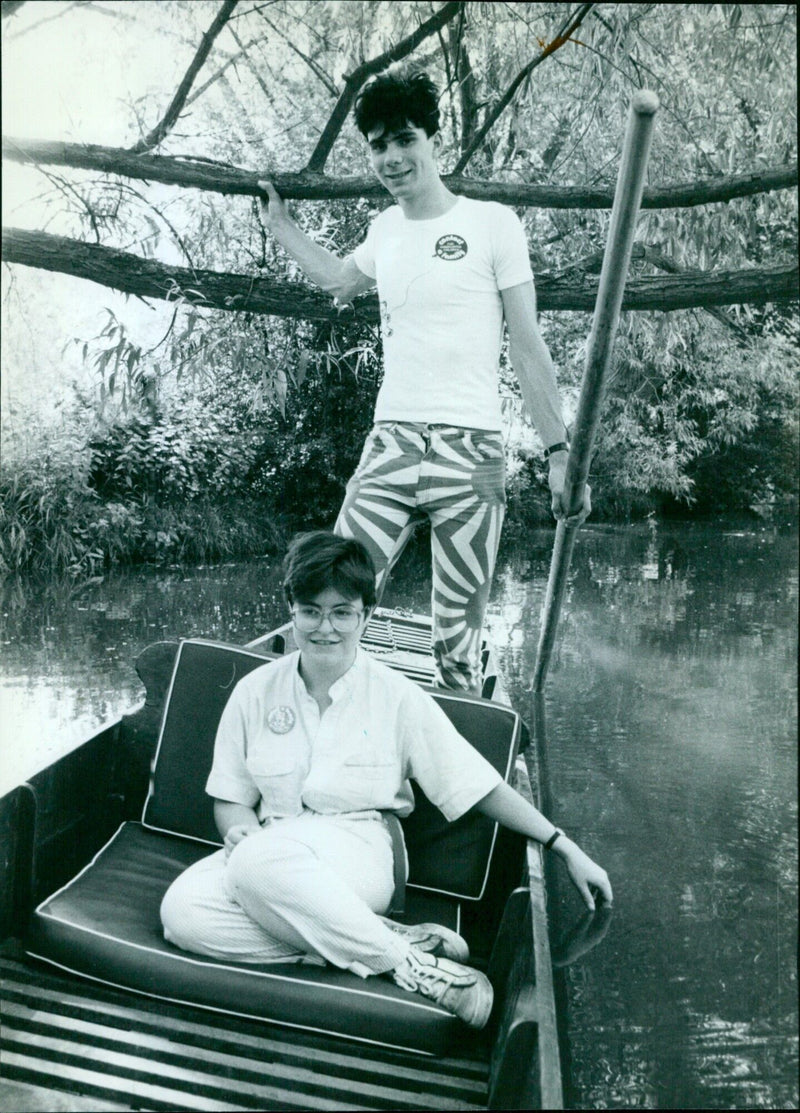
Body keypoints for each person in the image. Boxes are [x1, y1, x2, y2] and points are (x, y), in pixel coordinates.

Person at [160, 532, 612, 1030]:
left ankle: (413, 969)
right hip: (271, 854)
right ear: (291, 611)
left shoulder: (398, 696)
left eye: (342, 613)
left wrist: (563, 845)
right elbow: (232, 799)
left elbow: (477, 784)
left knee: (254, 864)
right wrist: (239, 829)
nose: (324, 627)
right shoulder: (254, 692)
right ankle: (389, 942)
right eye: (310, 611)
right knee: (182, 914)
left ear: (366, 616)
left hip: (360, 848)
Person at [258, 66, 589, 694]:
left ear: (433, 139)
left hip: (476, 457)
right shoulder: (384, 230)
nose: (392, 157)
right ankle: (319, 745)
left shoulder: (493, 224)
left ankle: (448, 772)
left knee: (458, 643)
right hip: (392, 444)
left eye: (404, 138)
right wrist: (281, 228)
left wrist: (558, 452)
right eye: (379, 145)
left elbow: (527, 346)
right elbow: (338, 280)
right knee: (331, 598)